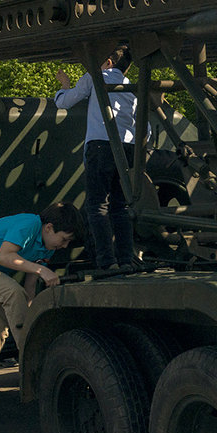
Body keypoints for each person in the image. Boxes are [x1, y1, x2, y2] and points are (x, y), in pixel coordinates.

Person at [0, 203, 82, 428]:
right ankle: (34, 358)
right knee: (12, 291)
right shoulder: (28, 224)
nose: (65, 245)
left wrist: (29, 316)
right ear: (49, 228)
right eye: (64, 239)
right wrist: (40, 271)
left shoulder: (47, 247)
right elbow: (3, 256)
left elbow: (29, 290)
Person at [54, 45, 141, 271]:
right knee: (120, 207)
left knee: (97, 206)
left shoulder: (96, 76)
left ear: (108, 62)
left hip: (101, 145)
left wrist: (64, 86)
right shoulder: (133, 86)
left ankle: (106, 261)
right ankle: (125, 260)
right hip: (128, 146)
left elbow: (65, 102)